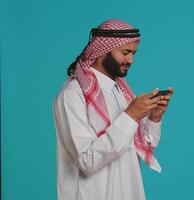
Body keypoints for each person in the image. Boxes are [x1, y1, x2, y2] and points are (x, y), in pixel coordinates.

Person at [53, 19, 173, 200]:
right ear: (102, 51)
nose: (130, 60)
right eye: (125, 52)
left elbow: (136, 149)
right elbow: (88, 161)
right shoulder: (73, 95)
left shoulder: (121, 92)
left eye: (133, 53)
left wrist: (153, 118)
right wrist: (131, 115)